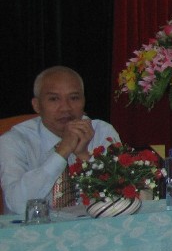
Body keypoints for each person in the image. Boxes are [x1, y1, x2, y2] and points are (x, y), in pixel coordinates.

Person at [0, 66, 120, 214]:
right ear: (37, 105)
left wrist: (84, 156)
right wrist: (62, 151)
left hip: (91, 225)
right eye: (54, 99)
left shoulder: (102, 132)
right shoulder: (13, 141)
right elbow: (18, 205)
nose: (66, 108)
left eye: (74, 98)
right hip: (34, 227)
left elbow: (120, 198)